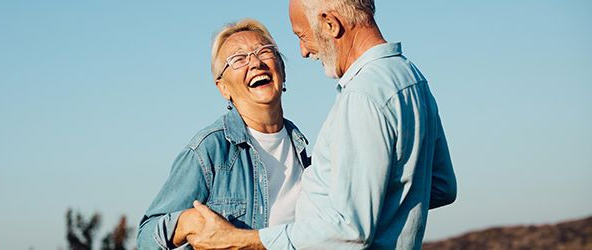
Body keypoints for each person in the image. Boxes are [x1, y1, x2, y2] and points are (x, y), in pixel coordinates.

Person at [186, 0, 458, 249]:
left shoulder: (362, 96)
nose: (304, 52)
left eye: (302, 36)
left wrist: (238, 240)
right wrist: (372, 202)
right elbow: (442, 186)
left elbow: (350, 230)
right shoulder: (411, 77)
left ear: (331, 24)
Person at [137, 19, 311, 249]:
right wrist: (187, 222)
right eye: (239, 59)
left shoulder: (303, 153)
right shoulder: (209, 150)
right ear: (223, 88)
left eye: (265, 52)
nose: (256, 63)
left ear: (283, 70)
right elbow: (146, 236)